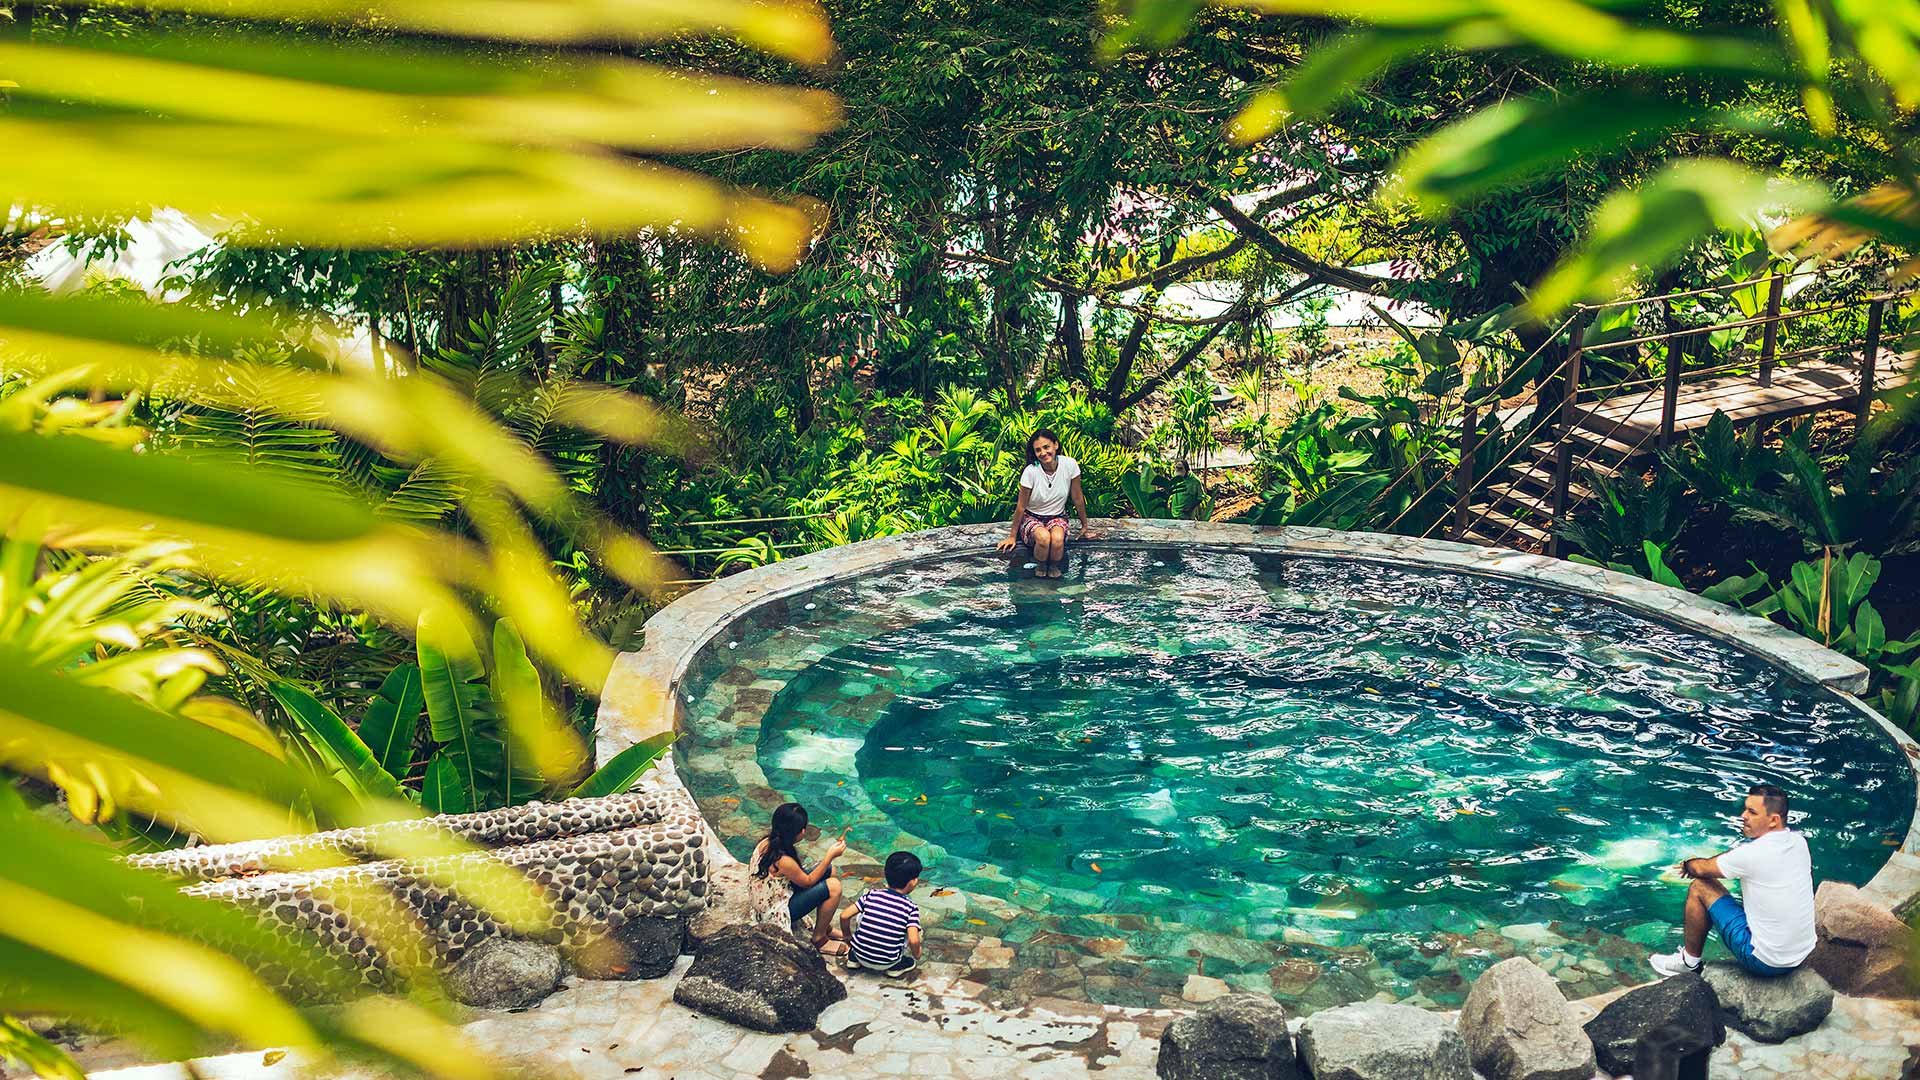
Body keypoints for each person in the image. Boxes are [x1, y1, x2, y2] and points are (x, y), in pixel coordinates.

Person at [1650, 782, 1816, 978]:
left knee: (1700, 886)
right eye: (1745, 809)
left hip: (1767, 962)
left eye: (1752, 812)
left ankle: (1689, 963)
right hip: (1801, 954)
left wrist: (1687, 865)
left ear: (1773, 820)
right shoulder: (1799, 842)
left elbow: (1701, 869)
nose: (1743, 816)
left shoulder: (1753, 854)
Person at [996, 428, 1098, 578]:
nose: (1043, 453)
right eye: (1038, 450)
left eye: (1046, 447)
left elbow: (1077, 497)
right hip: (1032, 517)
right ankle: (1040, 568)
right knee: (1043, 538)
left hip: (1057, 516)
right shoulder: (1031, 471)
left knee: (1057, 540)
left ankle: (1054, 569)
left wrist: (1084, 526)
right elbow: (1021, 506)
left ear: (1055, 445)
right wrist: (1012, 536)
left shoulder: (1070, 465)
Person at [748, 802, 849, 956]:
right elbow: (807, 882)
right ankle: (819, 939)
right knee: (834, 886)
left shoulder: (767, 842)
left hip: (774, 895)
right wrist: (829, 856)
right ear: (799, 832)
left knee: (830, 870)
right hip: (775, 912)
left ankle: (824, 926)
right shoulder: (782, 859)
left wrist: (828, 863)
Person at [839, 851, 924, 978]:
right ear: (912, 882)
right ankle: (896, 967)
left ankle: (853, 960)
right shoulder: (910, 908)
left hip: (859, 954)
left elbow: (844, 916)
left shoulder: (871, 895)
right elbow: (913, 939)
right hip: (887, 962)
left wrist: (847, 935)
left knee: (862, 915)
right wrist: (917, 954)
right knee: (914, 929)